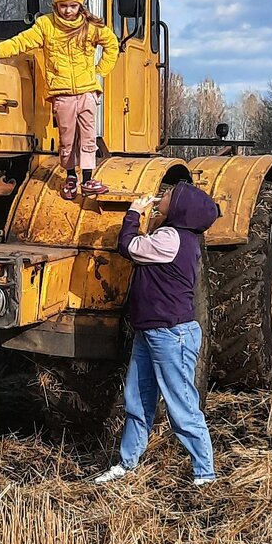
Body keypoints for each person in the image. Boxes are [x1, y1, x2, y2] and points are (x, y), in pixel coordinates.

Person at [94, 180, 220, 486]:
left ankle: (205, 474)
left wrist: (133, 213)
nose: (162, 195)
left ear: (179, 209)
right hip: (152, 331)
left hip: (170, 335)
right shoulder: (181, 237)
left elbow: (128, 246)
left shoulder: (171, 238)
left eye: (169, 195)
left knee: (182, 406)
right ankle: (127, 463)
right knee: (137, 400)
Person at [0, 0, 119, 198]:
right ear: (55, 5)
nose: (68, 10)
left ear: (80, 6)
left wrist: (100, 71)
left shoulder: (90, 27)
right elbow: (22, 41)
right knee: (67, 138)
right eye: (63, 5)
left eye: (73, 6)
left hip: (87, 92)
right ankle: (71, 177)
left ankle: (88, 179)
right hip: (62, 94)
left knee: (88, 136)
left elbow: (111, 44)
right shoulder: (46, 26)